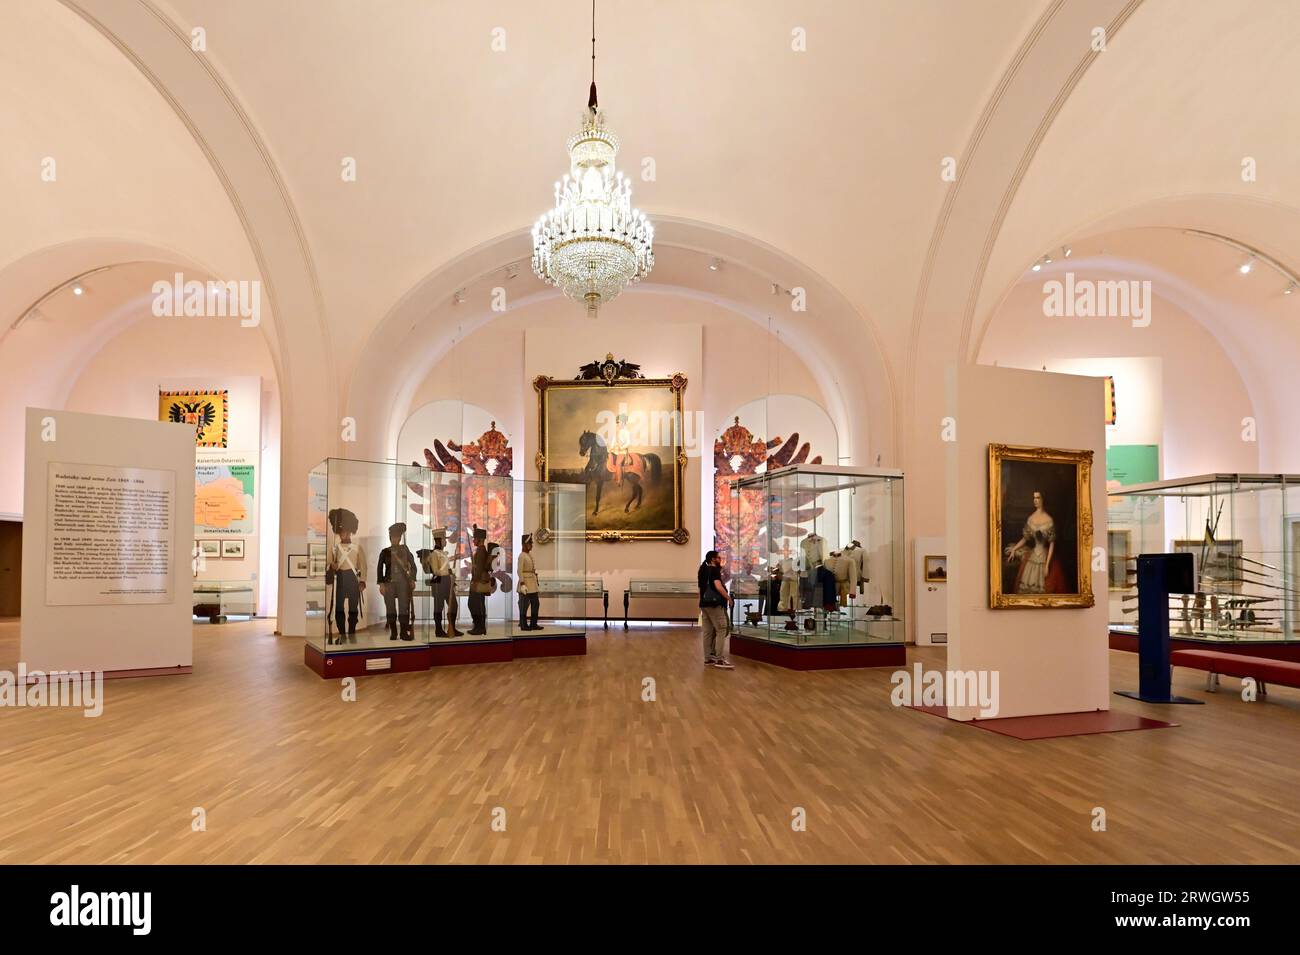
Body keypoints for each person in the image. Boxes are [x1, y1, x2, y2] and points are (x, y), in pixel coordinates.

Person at [1003, 490, 1068, 594]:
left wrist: (1047, 565)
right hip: (1032, 556)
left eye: (1038, 498)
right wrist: (1014, 549)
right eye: (1034, 498)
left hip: (1044, 557)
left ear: (1043, 499)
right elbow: (1025, 539)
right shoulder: (1031, 518)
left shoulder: (1049, 520)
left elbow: (1052, 543)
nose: (1035, 500)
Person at [326, 508, 366, 644]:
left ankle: (352, 633)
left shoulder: (357, 547)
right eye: (341, 531)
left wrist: (362, 581)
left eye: (346, 531)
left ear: (350, 531)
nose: (344, 534)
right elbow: (329, 562)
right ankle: (342, 634)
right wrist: (332, 565)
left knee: (353, 608)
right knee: (339, 608)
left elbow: (363, 566)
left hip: (353, 578)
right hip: (340, 579)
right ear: (339, 532)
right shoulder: (335, 548)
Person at [377, 522, 416, 641]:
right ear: (390, 538)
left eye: (397, 537)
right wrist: (381, 584)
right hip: (389, 583)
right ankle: (394, 632)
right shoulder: (385, 552)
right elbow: (379, 569)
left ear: (400, 538)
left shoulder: (405, 549)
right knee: (390, 608)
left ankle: (404, 633)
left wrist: (412, 579)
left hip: (403, 584)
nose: (395, 539)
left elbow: (413, 565)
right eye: (393, 537)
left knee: (404, 608)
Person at [420, 528, 462, 638]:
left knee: (453, 605)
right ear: (439, 540)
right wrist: (450, 571)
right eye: (444, 539)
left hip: (446, 581)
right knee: (439, 607)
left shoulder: (442, 553)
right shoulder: (434, 554)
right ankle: (438, 630)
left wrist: (453, 560)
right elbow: (436, 571)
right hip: (438, 582)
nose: (446, 541)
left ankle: (452, 627)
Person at [698, 550, 734, 669]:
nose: (720, 560)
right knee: (721, 630)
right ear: (713, 559)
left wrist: (701, 603)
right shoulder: (714, 570)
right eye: (718, 558)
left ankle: (708, 658)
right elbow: (718, 586)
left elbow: (700, 589)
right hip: (714, 605)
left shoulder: (702, 570)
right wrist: (728, 598)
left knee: (707, 632)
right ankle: (719, 659)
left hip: (704, 605)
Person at [467, 525, 492, 635]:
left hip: (478, 582)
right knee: (475, 604)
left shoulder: (481, 551)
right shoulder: (480, 550)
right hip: (477, 581)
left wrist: (475, 580)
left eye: (475, 538)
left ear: (480, 539)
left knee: (476, 605)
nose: (473, 540)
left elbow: (480, 568)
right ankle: (478, 626)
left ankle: (480, 627)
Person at [516, 533, 542, 632]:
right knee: (524, 605)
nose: (531, 545)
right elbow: (519, 570)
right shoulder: (522, 556)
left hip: (532, 584)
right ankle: (523, 624)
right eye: (530, 543)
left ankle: (533, 623)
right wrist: (522, 583)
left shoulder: (529, 555)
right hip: (525, 583)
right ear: (524, 544)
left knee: (536, 603)